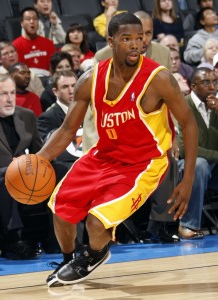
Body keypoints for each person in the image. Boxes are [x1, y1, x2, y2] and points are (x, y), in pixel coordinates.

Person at [36, 12, 198, 287]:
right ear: (110, 41)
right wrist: (38, 160)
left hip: (143, 164)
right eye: (127, 39)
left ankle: (94, 254)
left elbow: (189, 123)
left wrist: (188, 178)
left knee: (96, 224)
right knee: (61, 210)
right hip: (103, 156)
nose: (136, 44)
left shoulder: (158, 79)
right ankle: (68, 260)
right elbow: (66, 130)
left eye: (140, 38)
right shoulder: (90, 79)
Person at [87, 11, 180, 244]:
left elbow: (169, 101)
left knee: (167, 155)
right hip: (117, 125)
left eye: (147, 34)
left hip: (148, 124)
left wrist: (174, 135)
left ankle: (162, 224)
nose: (143, 40)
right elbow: (99, 102)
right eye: (137, 35)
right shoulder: (103, 56)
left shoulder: (162, 53)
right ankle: (120, 227)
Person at [0, 73, 43, 260]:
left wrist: (30, 165)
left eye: (12, 93)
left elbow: (39, 152)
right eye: (3, 94)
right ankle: (13, 240)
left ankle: (62, 238)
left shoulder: (26, 116)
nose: (10, 99)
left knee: (58, 169)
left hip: (24, 173)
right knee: (5, 175)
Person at [177, 67, 218, 239]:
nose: (212, 87)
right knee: (198, 164)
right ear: (193, 86)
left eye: (214, 82)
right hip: (184, 168)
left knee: (203, 164)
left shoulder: (217, 105)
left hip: (213, 168)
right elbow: (184, 148)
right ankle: (187, 225)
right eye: (206, 82)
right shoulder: (182, 104)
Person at [38, 70, 82, 169]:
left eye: (74, 85)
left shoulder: (88, 112)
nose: (71, 91)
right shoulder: (47, 118)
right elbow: (48, 151)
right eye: (65, 87)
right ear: (55, 91)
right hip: (65, 168)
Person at [12, 7, 56, 80]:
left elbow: (54, 66)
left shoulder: (48, 43)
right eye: (28, 19)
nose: (32, 21)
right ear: (22, 23)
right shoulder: (15, 45)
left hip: (48, 80)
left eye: (35, 19)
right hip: (27, 81)